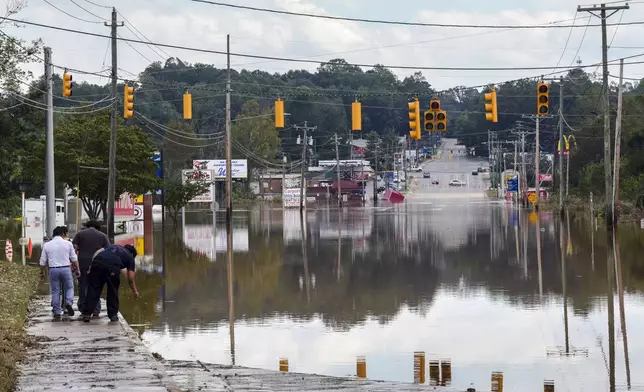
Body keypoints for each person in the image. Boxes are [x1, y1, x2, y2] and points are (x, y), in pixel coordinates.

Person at [82, 244, 139, 323]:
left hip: (98, 261)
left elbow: (99, 251)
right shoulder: (130, 257)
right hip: (113, 266)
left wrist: (92, 264)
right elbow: (131, 278)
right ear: (132, 254)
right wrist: (135, 291)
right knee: (113, 290)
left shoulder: (113, 246)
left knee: (93, 288)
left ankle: (87, 314)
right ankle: (113, 316)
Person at [39, 226, 81, 320]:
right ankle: (68, 303)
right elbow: (74, 258)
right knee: (69, 287)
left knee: (55, 290)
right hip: (66, 268)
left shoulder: (47, 245)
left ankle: (57, 311)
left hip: (53, 269)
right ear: (63, 234)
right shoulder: (68, 243)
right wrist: (77, 269)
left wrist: (42, 272)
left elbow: (42, 261)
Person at [72, 220, 109, 316]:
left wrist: (74, 265)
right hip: (97, 263)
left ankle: (83, 308)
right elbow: (108, 250)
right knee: (96, 286)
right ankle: (96, 309)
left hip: (82, 263)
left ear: (87, 226)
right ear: (97, 227)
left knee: (83, 285)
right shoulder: (102, 236)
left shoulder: (79, 234)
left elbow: (74, 250)